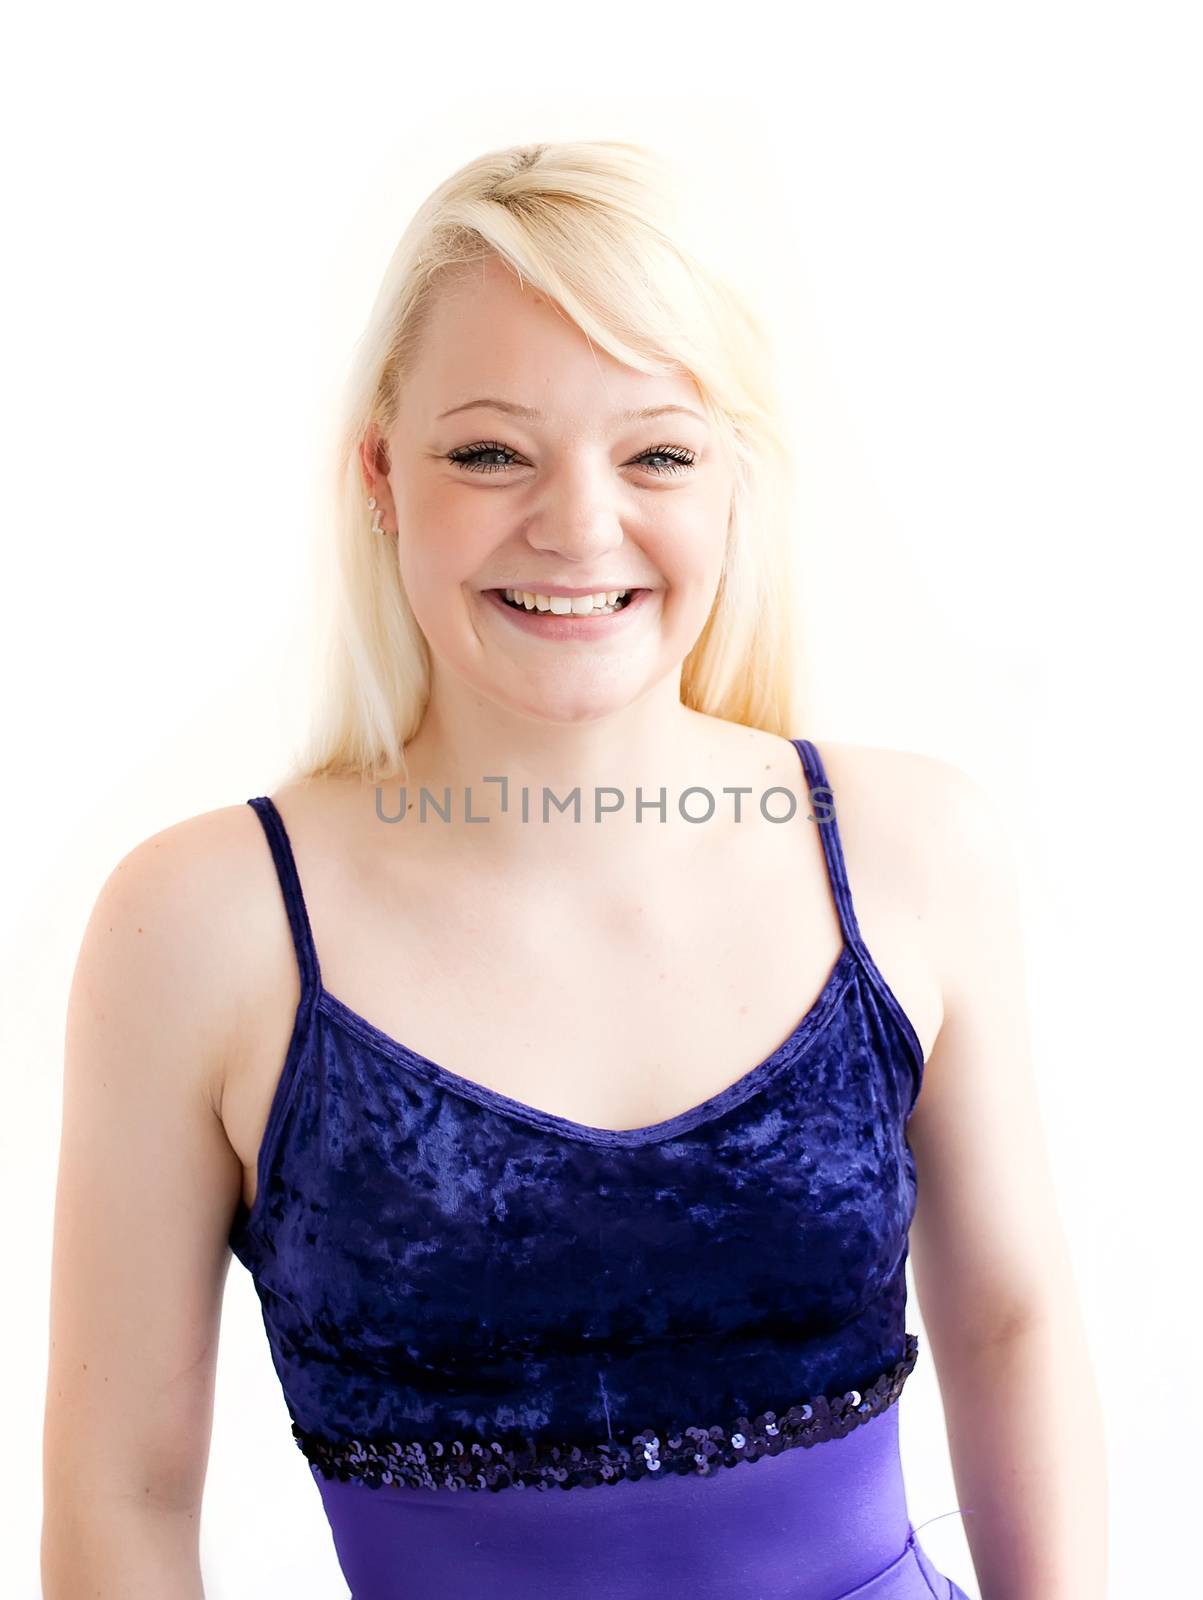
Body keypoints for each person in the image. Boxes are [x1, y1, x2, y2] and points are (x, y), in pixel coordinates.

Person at [42, 140, 1105, 1599]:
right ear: (380, 476)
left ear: (735, 479)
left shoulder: (915, 851)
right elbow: (120, 1498)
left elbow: (1011, 1328)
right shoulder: (201, 925)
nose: (578, 525)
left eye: (657, 451)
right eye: (490, 450)